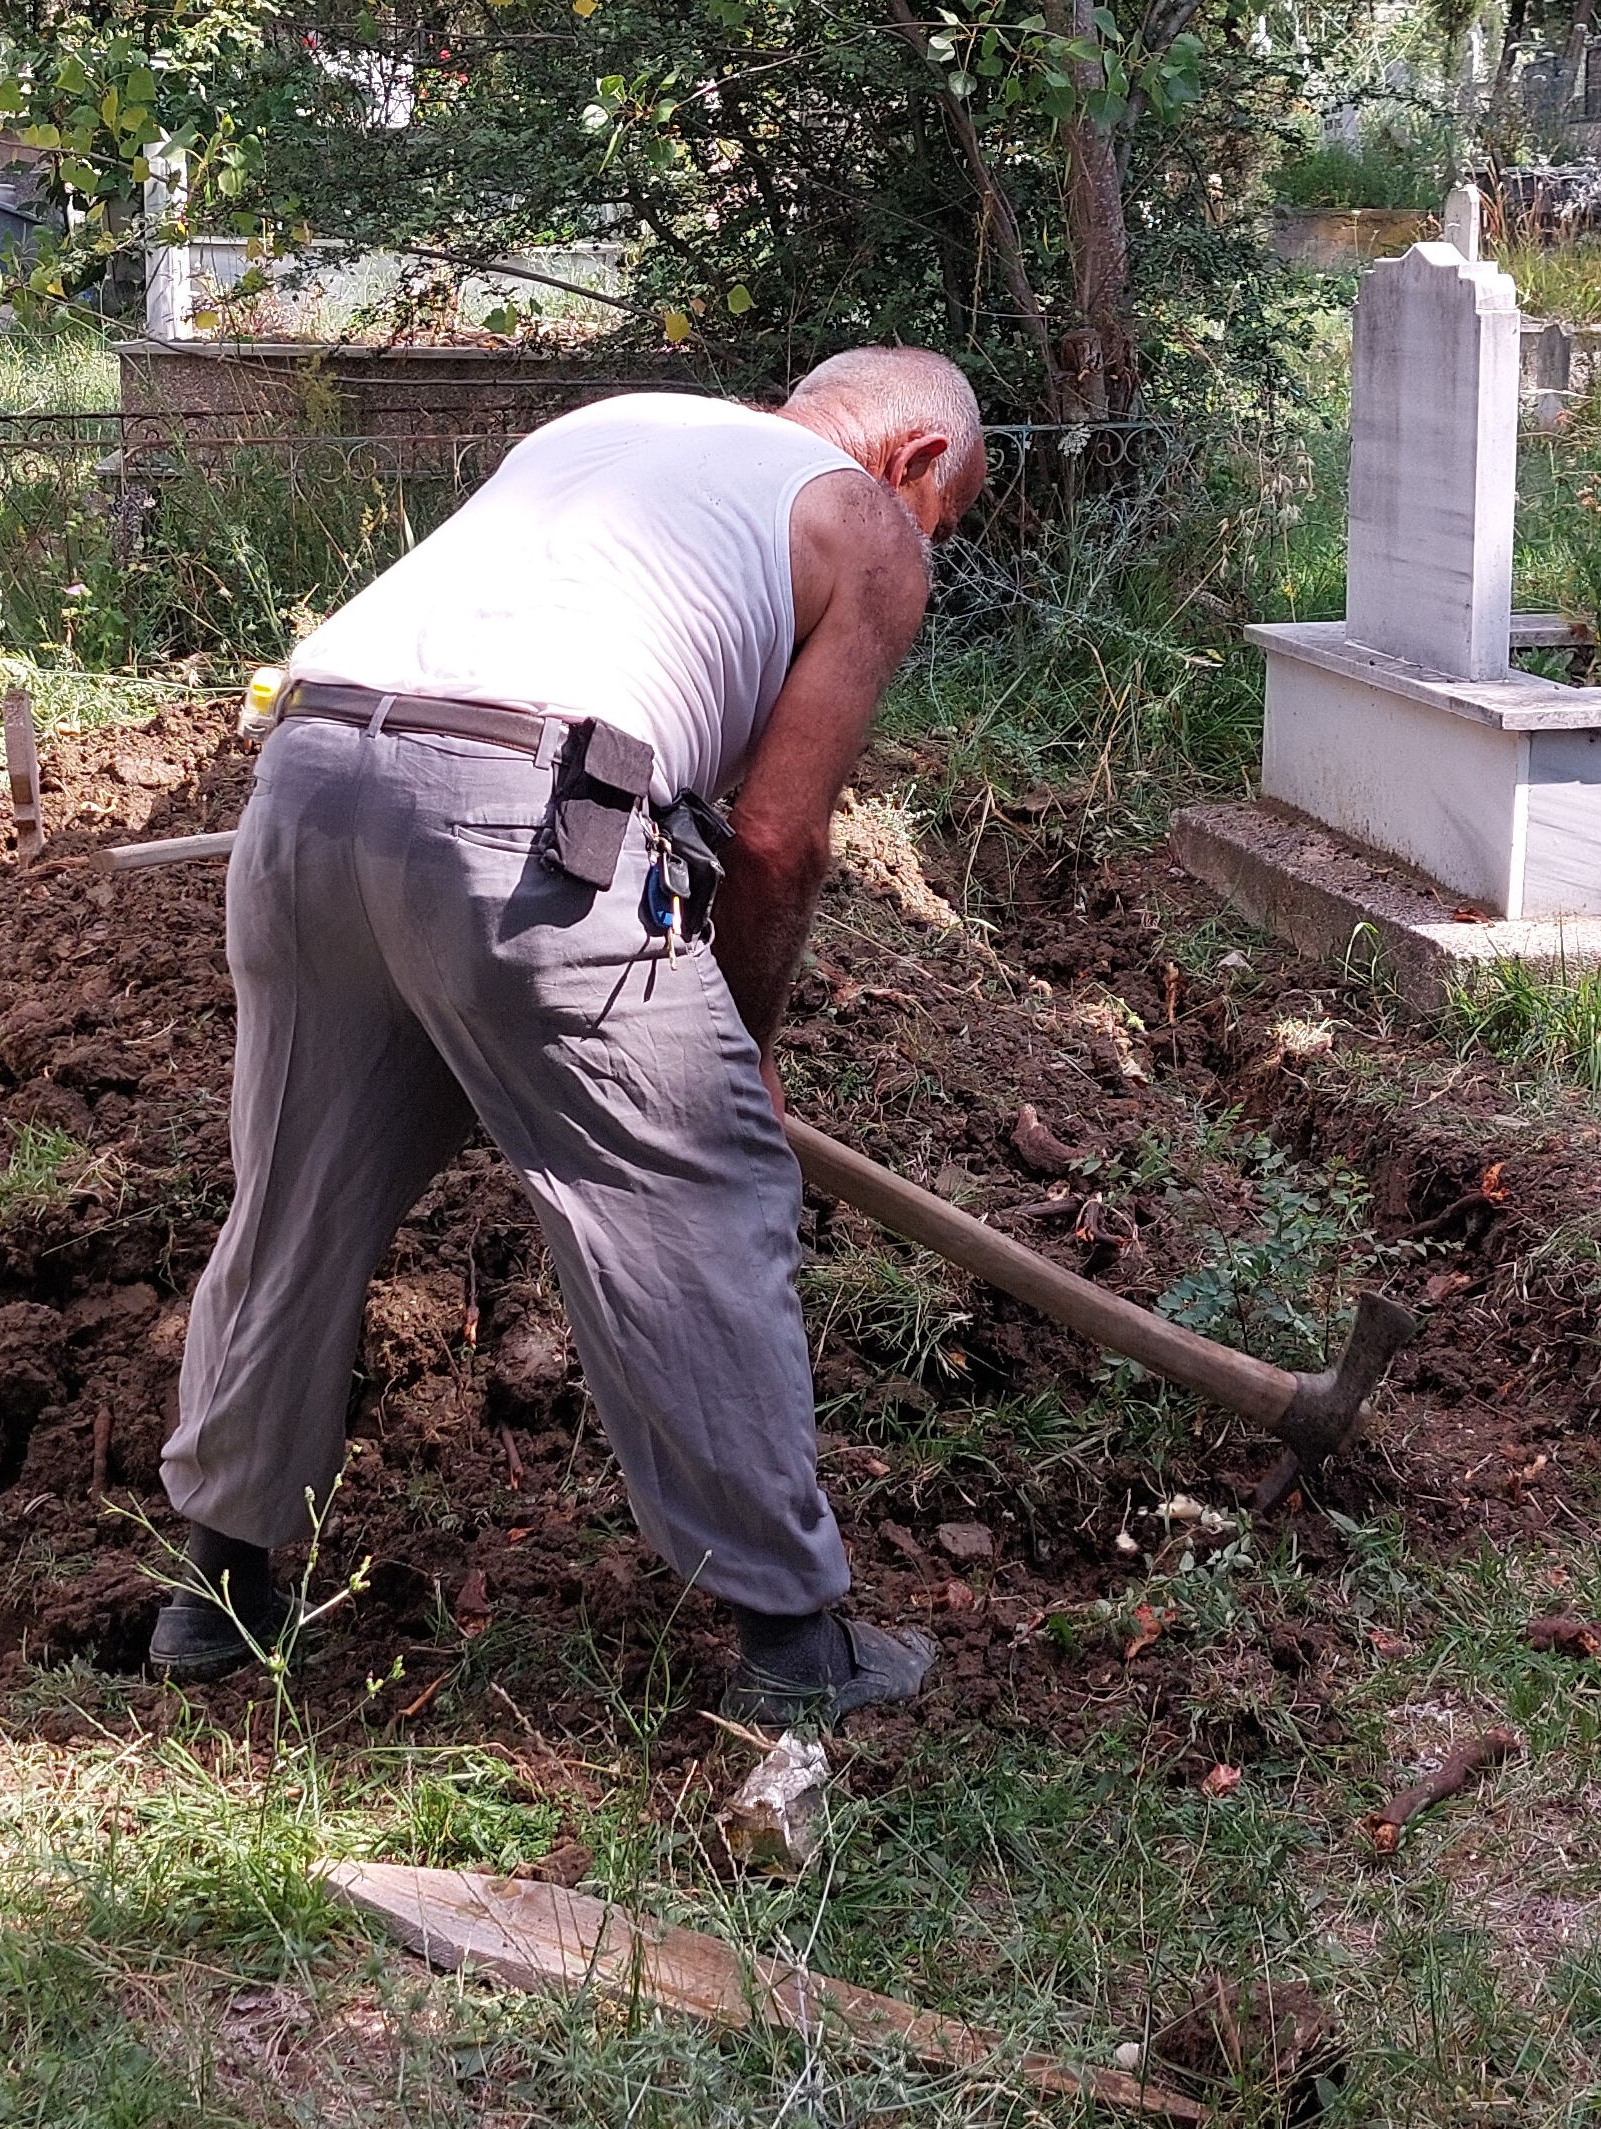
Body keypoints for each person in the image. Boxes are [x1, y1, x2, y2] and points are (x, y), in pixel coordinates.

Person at [147, 348, 988, 1726]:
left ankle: (215, 1591)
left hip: (304, 783)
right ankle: (793, 1645)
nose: (925, 540)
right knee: (697, 1199)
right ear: (917, 463)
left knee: (296, 1198)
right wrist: (741, 1051)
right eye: (939, 516)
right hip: (518, 816)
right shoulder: (867, 525)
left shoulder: (622, 424)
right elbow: (778, 839)